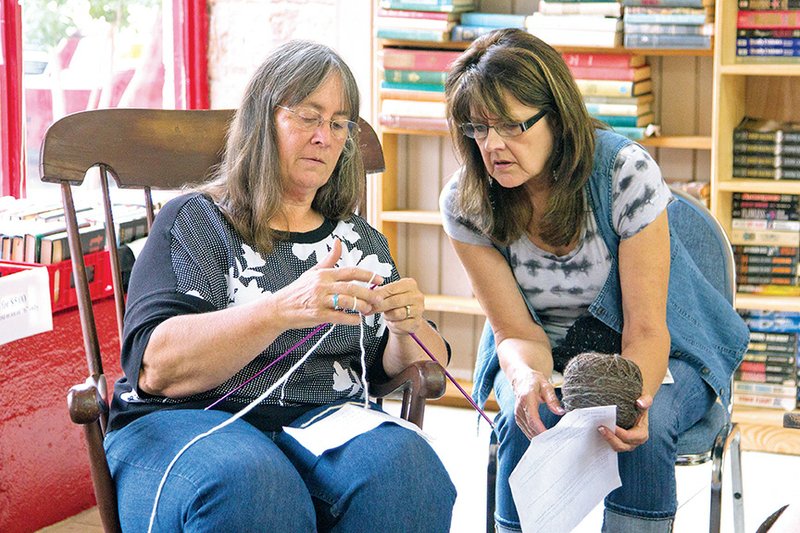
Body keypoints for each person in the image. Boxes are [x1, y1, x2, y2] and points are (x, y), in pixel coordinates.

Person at [104, 40, 456, 532]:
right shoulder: (197, 221)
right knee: (254, 485)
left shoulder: (360, 241)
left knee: (410, 473)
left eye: (338, 124)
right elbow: (157, 369)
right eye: (308, 116)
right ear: (262, 121)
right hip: (187, 420)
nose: (324, 137)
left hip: (323, 425)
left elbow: (395, 367)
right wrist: (282, 308)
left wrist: (406, 329)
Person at [439, 29, 749, 533]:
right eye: (477, 129)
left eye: (513, 127)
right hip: (546, 350)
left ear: (557, 116)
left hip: (657, 348)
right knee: (526, 423)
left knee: (643, 428)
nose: (492, 147)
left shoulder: (623, 173)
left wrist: (632, 402)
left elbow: (647, 330)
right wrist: (527, 379)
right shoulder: (465, 202)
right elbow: (515, 333)